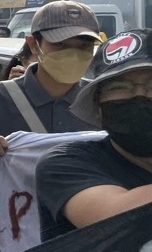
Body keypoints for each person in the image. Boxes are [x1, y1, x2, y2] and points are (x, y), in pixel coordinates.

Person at [0, 0, 101, 191]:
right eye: (61, 45)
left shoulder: (101, 99)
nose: (73, 55)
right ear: (34, 45)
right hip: (13, 218)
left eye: (83, 47)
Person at [38, 30, 152, 240]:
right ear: (98, 106)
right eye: (120, 87)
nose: (140, 95)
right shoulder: (65, 164)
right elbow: (120, 217)